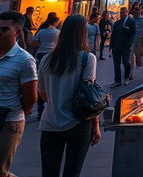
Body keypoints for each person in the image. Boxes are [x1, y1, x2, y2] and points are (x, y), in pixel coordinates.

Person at [38, 15, 100, 177]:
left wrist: (56, 102)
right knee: (72, 172)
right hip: (79, 122)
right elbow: (89, 96)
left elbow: (43, 93)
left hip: (50, 122)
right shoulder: (88, 58)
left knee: (49, 172)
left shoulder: (47, 59)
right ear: (83, 33)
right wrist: (96, 125)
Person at [0, 11, 37, 177]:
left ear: (17, 32)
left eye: (4, 30)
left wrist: (19, 112)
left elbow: (31, 97)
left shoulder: (24, 60)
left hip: (9, 122)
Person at [32, 13, 60, 119]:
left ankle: (40, 107)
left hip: (41, 54)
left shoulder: (42, 31)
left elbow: (34, 43)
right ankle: (52, 105)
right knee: (53, 79)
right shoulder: (58, 32)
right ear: (56, 23)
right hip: (53, 55)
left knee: (41, 80)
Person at [109, 7, 135, 88]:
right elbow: (113, 35)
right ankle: (117, 80)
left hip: (125, 46)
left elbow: (133, 33)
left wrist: (130, 44)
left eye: (123, 12)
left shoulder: (130, 22)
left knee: (126, 62)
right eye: (121, 12)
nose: (121, 14)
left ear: (127, 12)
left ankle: (126, 77)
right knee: (116, 64)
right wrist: (111, 46)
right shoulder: (117, 23)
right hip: (116, 46)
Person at [129, 4, 143, 80]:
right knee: (131, 58)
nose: (136, 13)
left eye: (138, 11)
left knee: (138, 56)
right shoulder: (130, 20)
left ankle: (137, 66)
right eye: (135, 11)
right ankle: (131, 73)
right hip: (131, 40)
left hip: (139, 40)